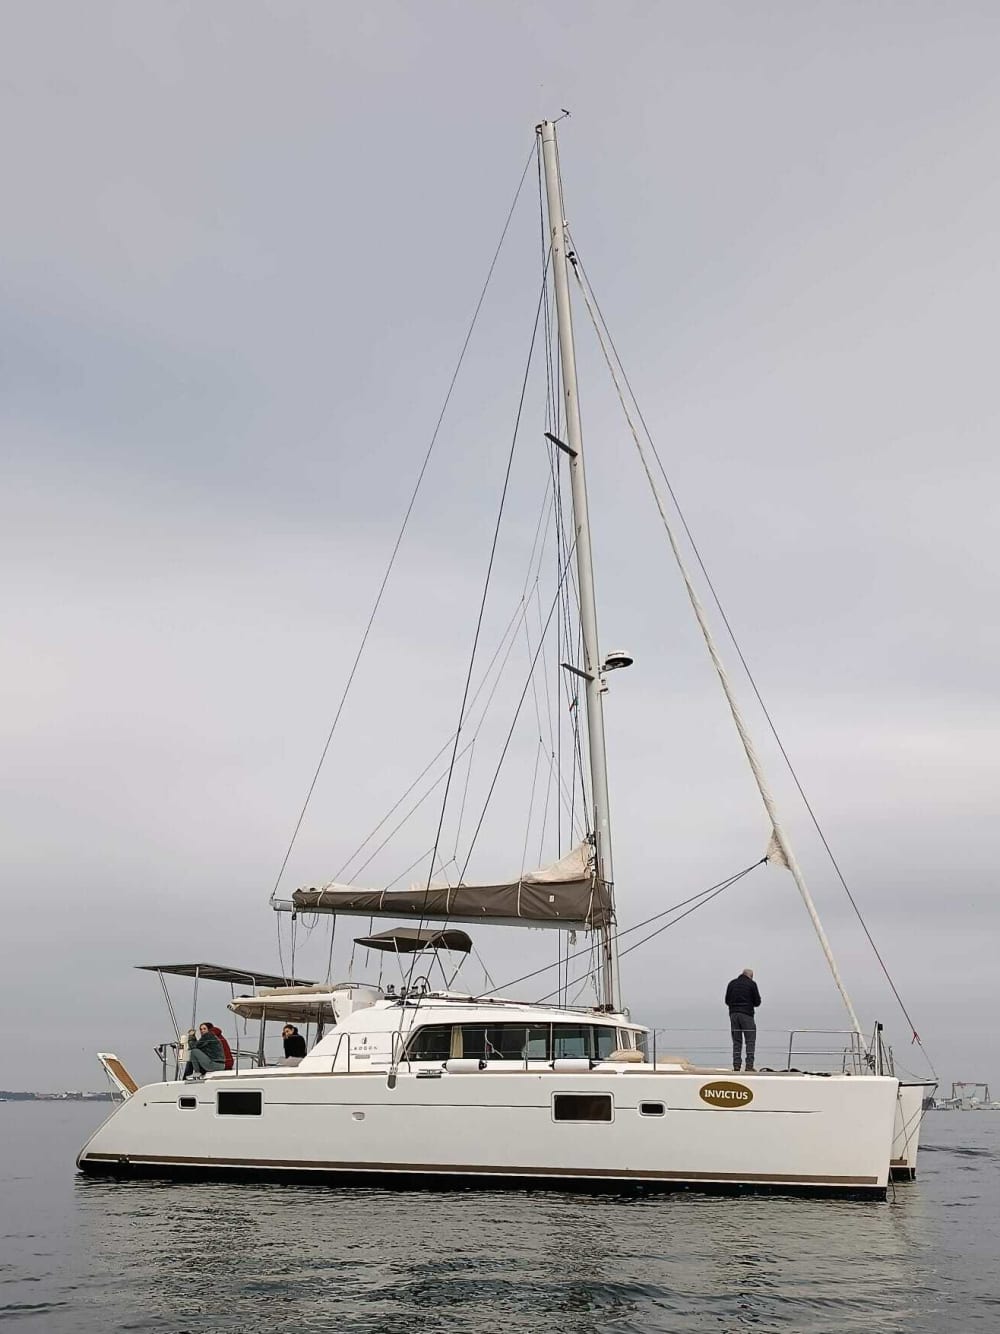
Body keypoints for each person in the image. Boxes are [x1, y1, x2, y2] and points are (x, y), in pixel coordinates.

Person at [725, 968, 761, 1072]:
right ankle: (749, 1066)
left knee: (736, 1041)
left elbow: (727, 1000)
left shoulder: (731, 983)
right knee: (750, 1041)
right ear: (750, 976)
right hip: (747, 1014)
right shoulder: (752, 984)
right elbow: (757, 1002)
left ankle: (736, 1066)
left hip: (733, 1015)